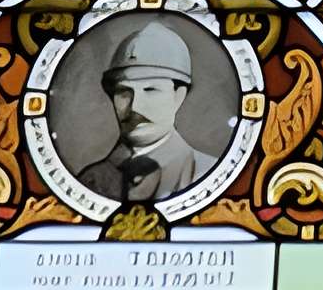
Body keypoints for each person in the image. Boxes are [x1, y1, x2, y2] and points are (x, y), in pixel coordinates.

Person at [74, 20, 221, 204]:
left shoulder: (210, 175)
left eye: (151, 90)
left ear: (178, 96)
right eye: (124, 92)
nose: (136, 107)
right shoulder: (90, 181)